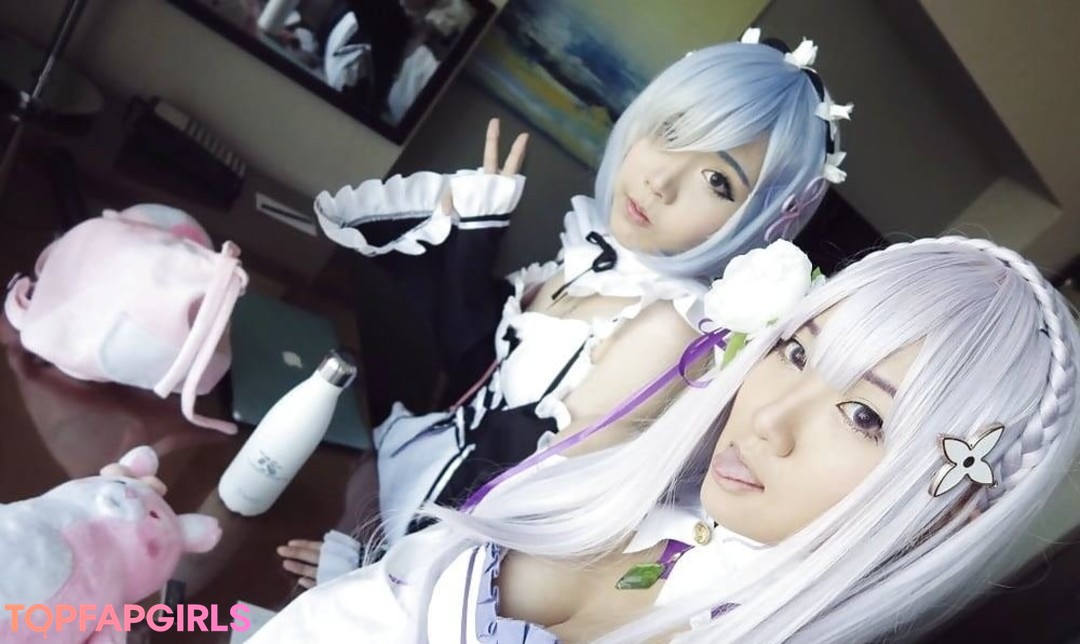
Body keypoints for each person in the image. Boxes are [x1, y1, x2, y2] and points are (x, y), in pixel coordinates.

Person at [254, 236, 1080, 642]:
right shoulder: (626, 491)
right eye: (795, 352)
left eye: (864, 416)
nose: (768, 419)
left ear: (952, 507)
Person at [279, 28, 852, 586]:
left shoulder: (667, 330)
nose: (661, 180)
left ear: (766, 220)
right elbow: (474, 365)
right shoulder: (594, 257)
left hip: (418, 563)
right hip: (392, 490)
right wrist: (475, 229)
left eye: (717, 180)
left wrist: (371, 573)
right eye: (673, 129)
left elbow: (515, 510)